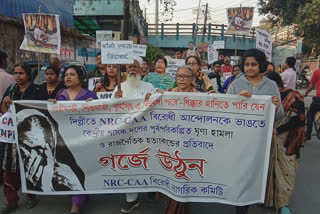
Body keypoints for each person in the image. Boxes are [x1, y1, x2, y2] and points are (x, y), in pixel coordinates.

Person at [227, 48, 284, 214]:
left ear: (261, 65)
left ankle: (248, 203)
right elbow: (226, 110)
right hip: (239, 140)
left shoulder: (271, 85)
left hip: (261, 142)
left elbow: (279, 116)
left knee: (255, 176)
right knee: (240, 176)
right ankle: (241, 208)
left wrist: (277, 106)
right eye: (246, 64)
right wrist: (238, 100)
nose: (249, 68)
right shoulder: (236, 84)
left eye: (253, 64)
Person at [112, 56, 156, 213]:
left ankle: (152, 187)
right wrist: (114, 100)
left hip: (146, 134)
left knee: (149, 161)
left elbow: (158, 108)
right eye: (129, 67)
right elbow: (109, 111)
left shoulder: (149, 86)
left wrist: (152, 99)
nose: (132, 69)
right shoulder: (119, 88)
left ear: (141, 70)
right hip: (125, 135)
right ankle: (132, 199)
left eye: (135, 67)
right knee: (129, 164)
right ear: (125, 70)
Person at [53, 65, 98, 214]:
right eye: (66, 74)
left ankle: (75, 205)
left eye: (72, 74)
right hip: (65, 139)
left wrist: (95, 105)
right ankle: (79, 196)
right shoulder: (60, 94)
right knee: (70, 168)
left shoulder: (90, 95)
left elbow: (101, 116)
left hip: (84, 140)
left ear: (80, 78)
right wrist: (50, 105)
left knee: (80, 168)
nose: (68, 77)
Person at [0, 63, 41, 214]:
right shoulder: (10, 90)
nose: (17, 76)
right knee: (10, 169)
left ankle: (31, 196)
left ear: (28, 75)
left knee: (30, 166)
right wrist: (4, 104)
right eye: (15, 73)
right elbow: (4, 113)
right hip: (12, 138)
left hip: (31, 137)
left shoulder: (37, 90)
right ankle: (11, 201)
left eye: (21, 73)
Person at [264, 71, 305, 214]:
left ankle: (283, 204)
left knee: (286, 170)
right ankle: (268, 199)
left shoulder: (293, 96)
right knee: (268, 169)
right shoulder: (266, 97)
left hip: (287, 140)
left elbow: (298, 119)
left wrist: (278, 129)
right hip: (268, 139)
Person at [304, 68, 320, 140]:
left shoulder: (317, 72)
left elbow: (311, 86)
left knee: (310, 114)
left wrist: (305, 93)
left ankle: (308, 134)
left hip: (318, 99)